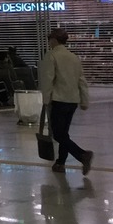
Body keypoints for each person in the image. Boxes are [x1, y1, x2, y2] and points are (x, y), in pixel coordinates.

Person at [39, 28, 93, 175]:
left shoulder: (51, 55)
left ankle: (82, 154)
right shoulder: (74, 57)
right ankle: (60, 163)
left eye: (50, 39)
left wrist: (46, 99)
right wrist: (84, 100)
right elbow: (82, 80)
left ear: (54, 40)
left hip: (58, 100)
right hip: (72, 101)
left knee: (58, 134)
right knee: (64, 133)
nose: (49, 42)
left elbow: (48, 79)